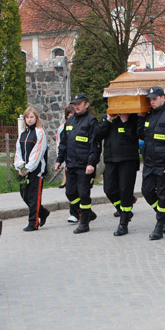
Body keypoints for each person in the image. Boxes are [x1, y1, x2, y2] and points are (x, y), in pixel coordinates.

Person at [138, 86, 165, 240]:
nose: (152, 102)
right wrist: (139, 117)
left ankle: (159, 226)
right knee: (147, 191)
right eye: (150, 100)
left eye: (154, 99)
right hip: (150, 162)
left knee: (163, 195)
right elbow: (141, 134)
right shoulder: (148, 116)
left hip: (164, 163)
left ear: (163, 97)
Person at [55, 94, 100, 234]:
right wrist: (59, 160)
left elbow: (95, 144)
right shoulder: (70, 121)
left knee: (83, 193)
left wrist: (91, 163)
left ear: (86, 104)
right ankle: (88, 213)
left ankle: (84, 223)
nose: (76, 106)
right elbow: (63, 143)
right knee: (70, 192)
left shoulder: (91, 121)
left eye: (79, 103)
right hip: (71, 164)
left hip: (84, 165)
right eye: (75, 104)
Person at [96, 112, 139, 236]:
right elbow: (97, 134)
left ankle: (123, 223)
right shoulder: (106, 118)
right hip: (110, 159)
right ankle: (124, 212)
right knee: (109, 189)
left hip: (127, 159)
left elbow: (134, 136)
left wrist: (125, 121)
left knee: (125, 191)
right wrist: (108, 120)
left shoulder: (132, 117)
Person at [15, 107, 50, 231]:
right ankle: (43, 212)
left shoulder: (39, 132)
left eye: (32, 117)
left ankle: (33, 223)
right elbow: (18, 151)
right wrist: (19, 167)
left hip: (36, 170)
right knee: (24, 194)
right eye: (27, 117)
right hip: (24, 170)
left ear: (36, 118)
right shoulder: (22, 133)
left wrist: (28, 168)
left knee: (34, 197)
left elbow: (37, 153)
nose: (29, 120)